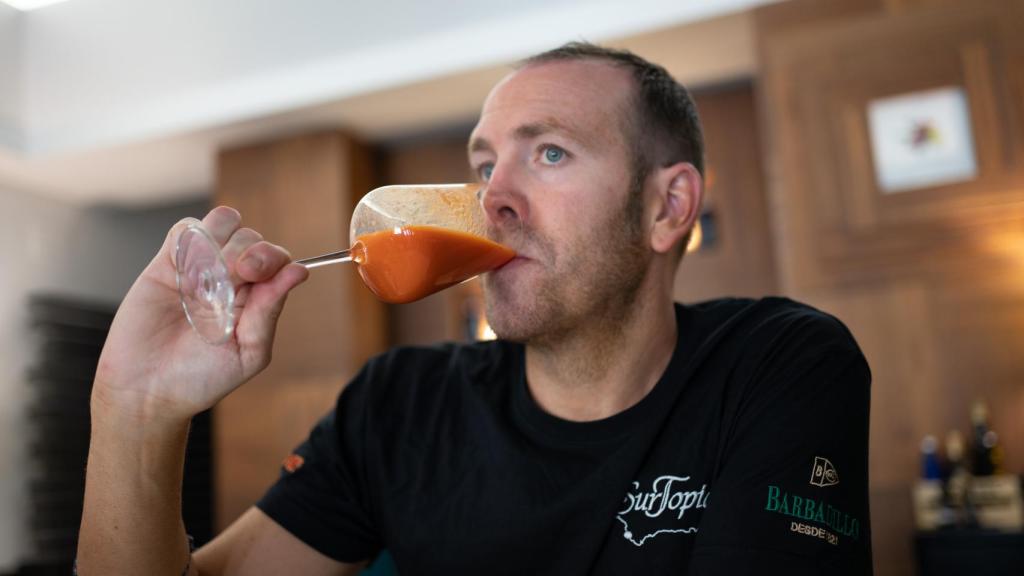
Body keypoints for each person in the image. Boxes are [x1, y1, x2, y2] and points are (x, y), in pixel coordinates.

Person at [76, 42, 872, 575]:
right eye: (485, 164)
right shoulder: (397, 405)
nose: (491, 199)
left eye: (549, 152)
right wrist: (134, 412)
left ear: (668, 208)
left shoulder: (778, 364)